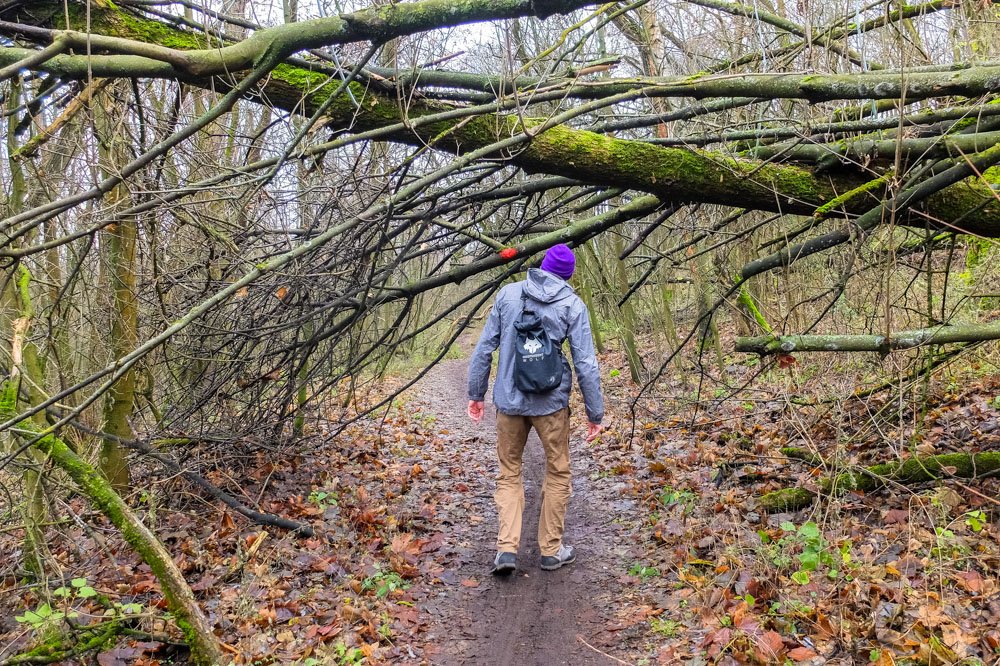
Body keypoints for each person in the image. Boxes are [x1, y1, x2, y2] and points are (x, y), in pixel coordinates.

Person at [467, 243, 605, 574]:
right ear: (568, 276)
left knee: (508, 471)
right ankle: (551, 550)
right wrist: (594, 413)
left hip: (509, 402)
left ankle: (506, 550)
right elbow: (586, 363)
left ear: (542, 266)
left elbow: (485, 347)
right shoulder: (573, 304)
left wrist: (476, 392)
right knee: (557, 470)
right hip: (551, 405)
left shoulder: (508, 295)